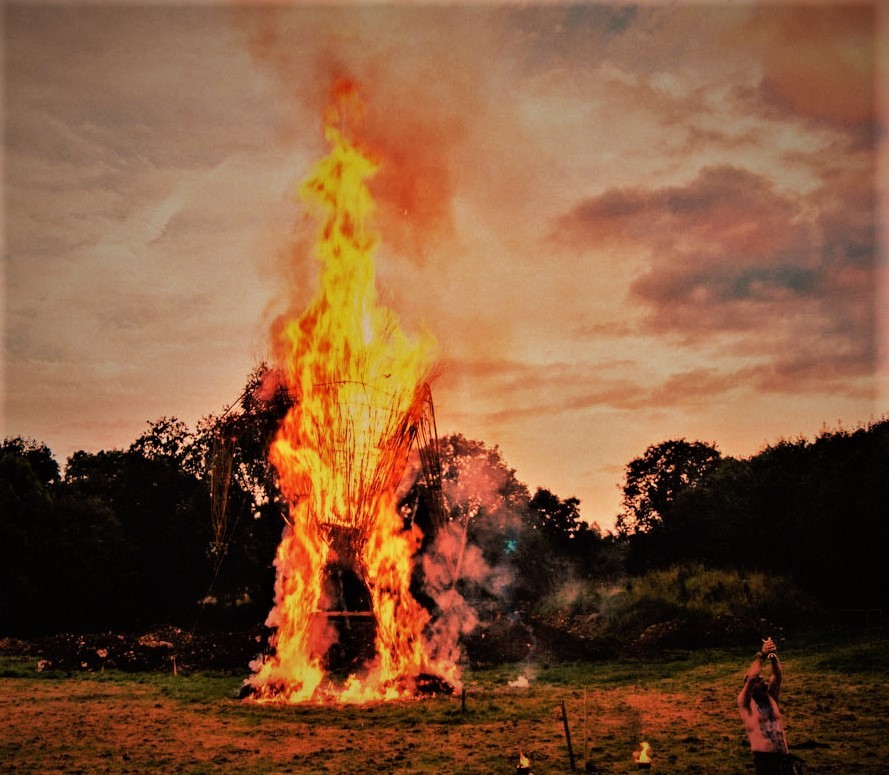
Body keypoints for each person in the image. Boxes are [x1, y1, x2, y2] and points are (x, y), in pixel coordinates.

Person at [737, 637, 804, 774]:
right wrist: (762, 655)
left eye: (762, 678)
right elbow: (751, 678)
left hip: (784, 758)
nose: (762, 679)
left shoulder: (771, 697)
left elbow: (777, 676)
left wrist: (773, 657)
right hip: (765, 761)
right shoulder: (746, 704)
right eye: (759, 679)